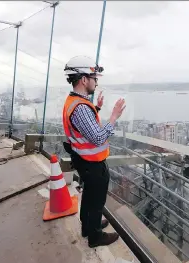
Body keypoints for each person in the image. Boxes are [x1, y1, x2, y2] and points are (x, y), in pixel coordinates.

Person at [62, 55, 126, 248]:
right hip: (91, 162)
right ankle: (95, 236)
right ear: (83, 79)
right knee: (96, 200)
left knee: (89, 195)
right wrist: (113, 117)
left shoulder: (74, 101)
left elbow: (83, 127)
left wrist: (96, 107)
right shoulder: (80, 107)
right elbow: (98, 137)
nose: (96, 82)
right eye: (94, 78)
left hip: (84, 160)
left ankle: (88, 226)